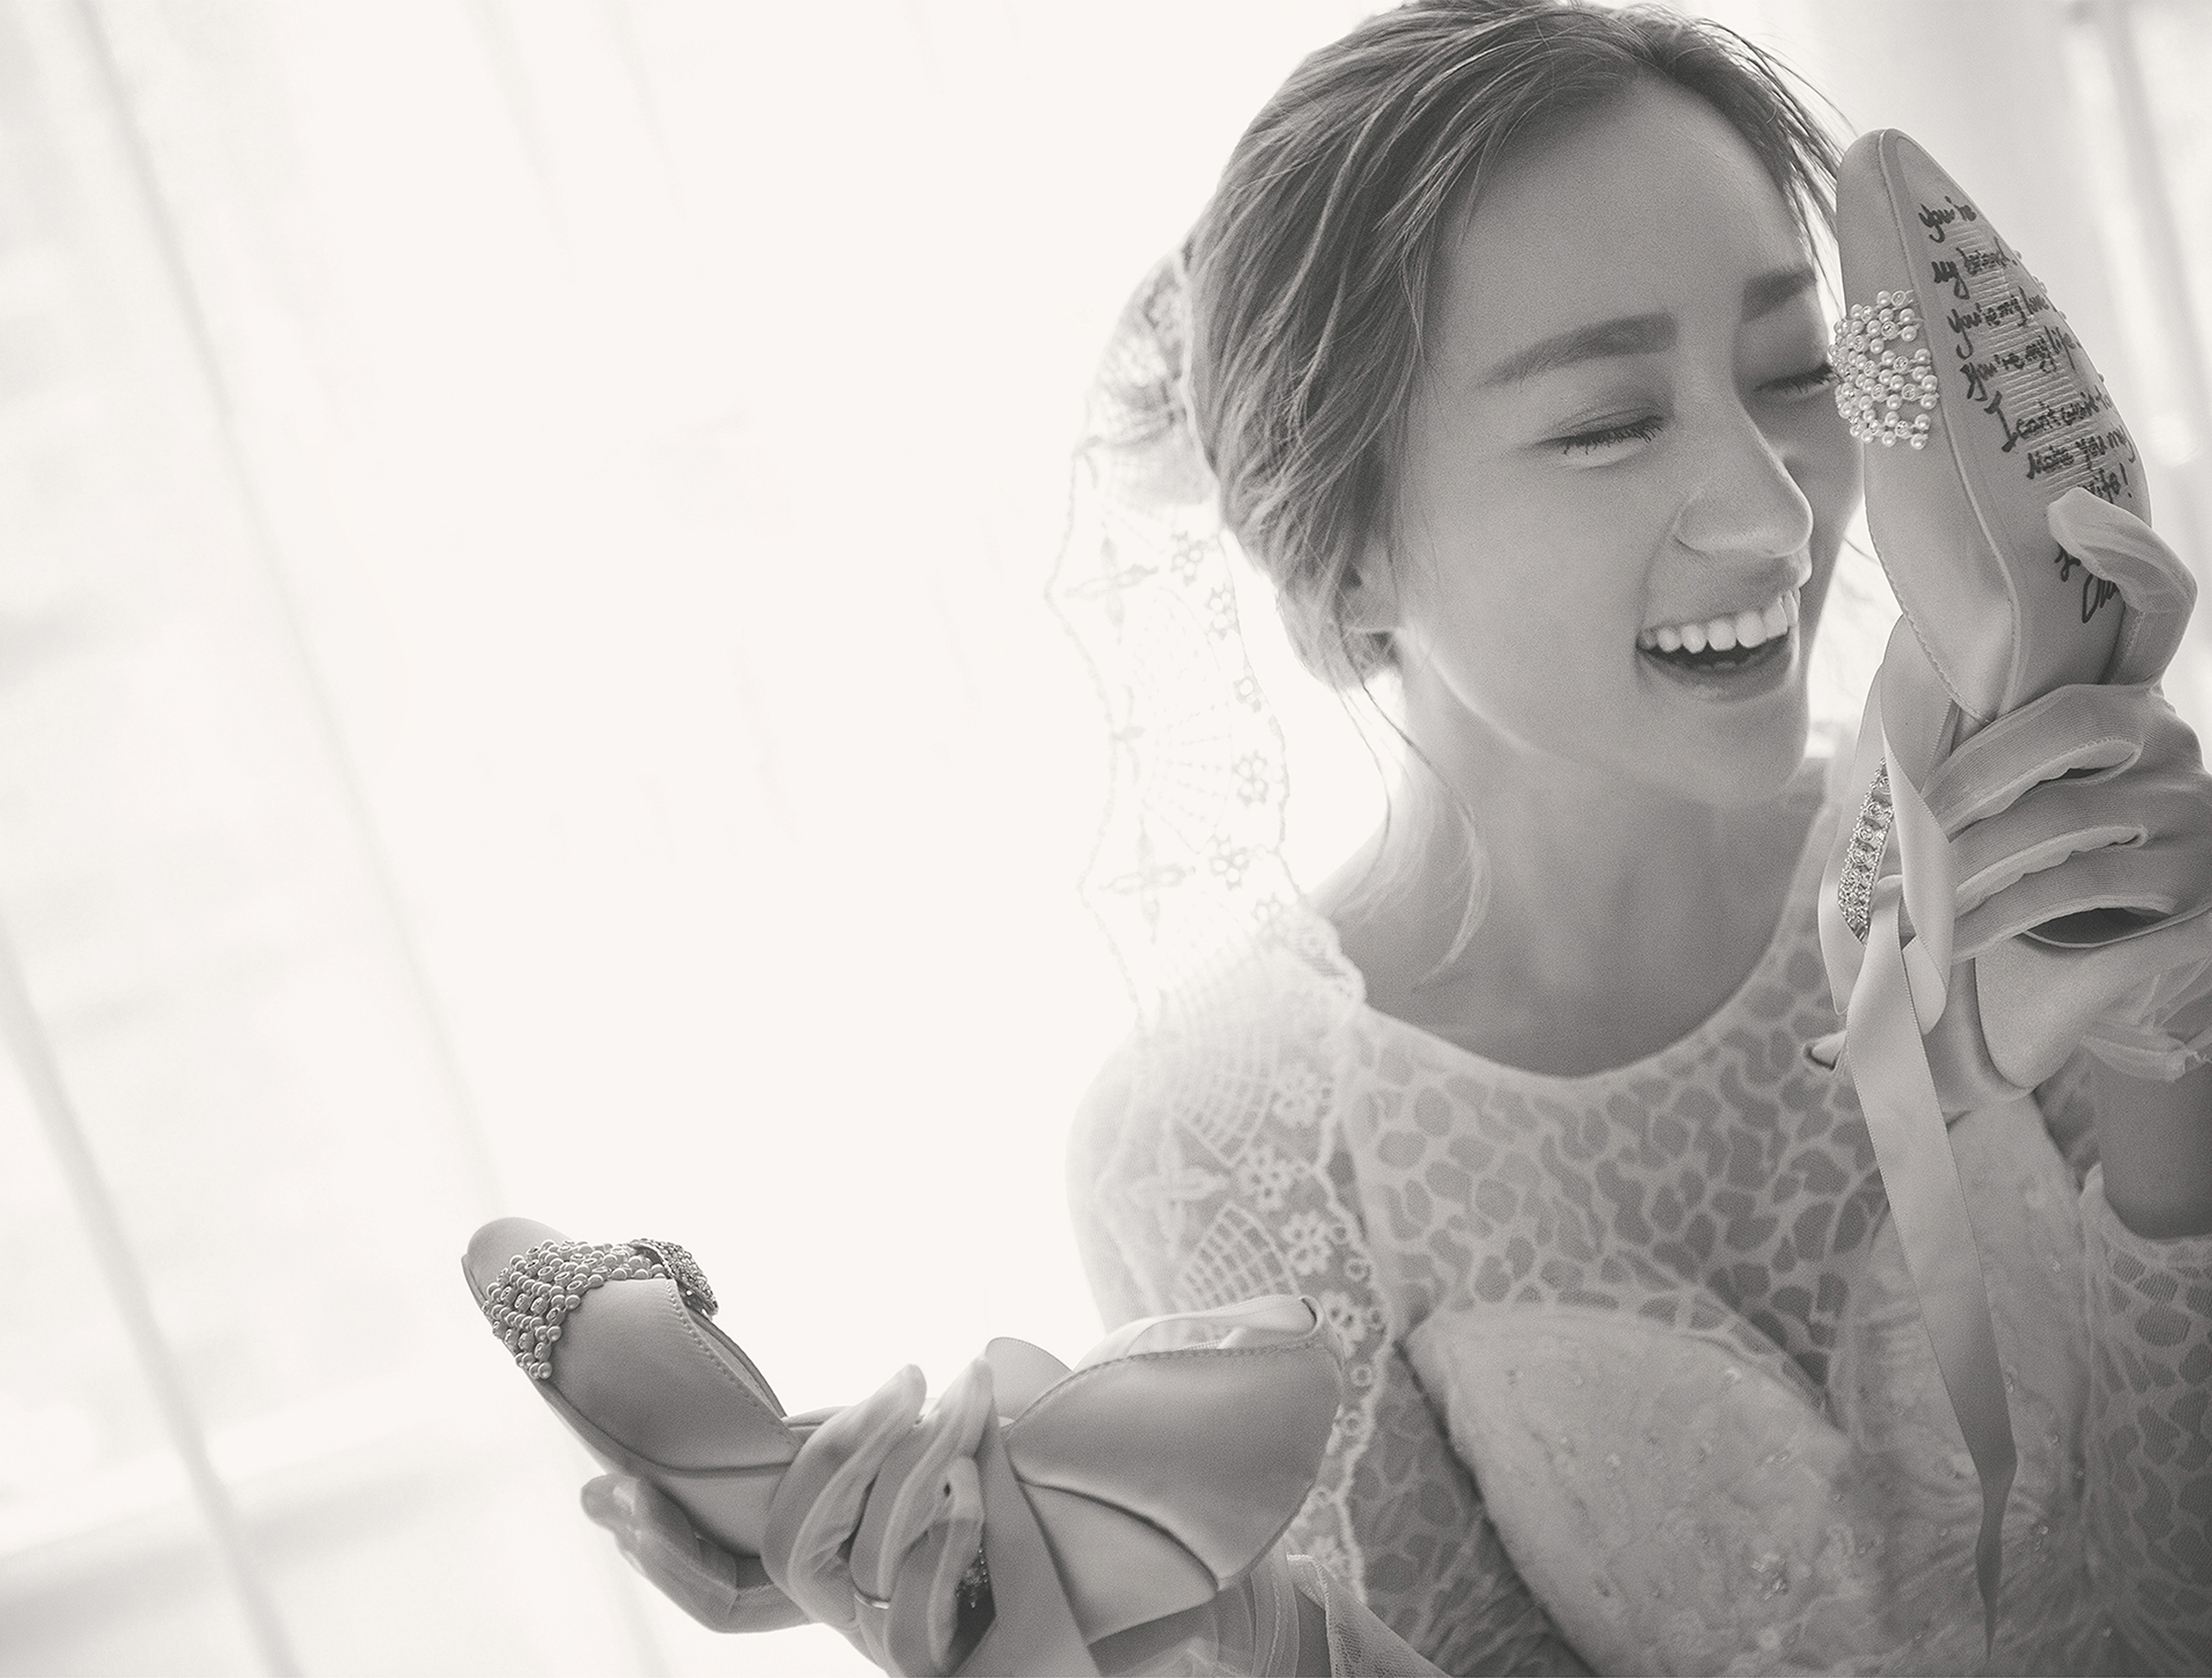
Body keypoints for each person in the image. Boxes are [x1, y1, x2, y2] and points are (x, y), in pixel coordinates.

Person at [587, 2, 2212, 1671]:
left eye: (1796, 373)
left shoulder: (2028, 845)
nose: (1781, 512)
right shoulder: (1225, 1147)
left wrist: (2172, 1042)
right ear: (1346, 552)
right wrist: (1122, 1623)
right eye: (1608, 420)